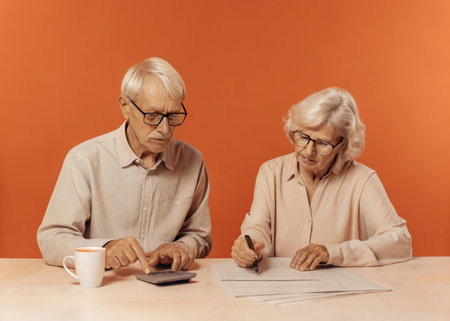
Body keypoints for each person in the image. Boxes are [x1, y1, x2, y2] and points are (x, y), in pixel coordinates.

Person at [38, 57, 211, 273]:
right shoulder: (84, 160)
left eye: (173, 115)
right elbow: (51, 239)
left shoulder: (193, 161)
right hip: (103, 290)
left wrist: (182, 248)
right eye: (153, 115)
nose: (165, 129)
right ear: (125, 107)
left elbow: (200, 236)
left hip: (169, 292)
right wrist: (104, 249)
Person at [231, 87, 412, 271]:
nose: (309, 151)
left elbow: (400, 241)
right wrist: (250, 246)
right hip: (282, 294)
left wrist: (331, 253)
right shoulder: (270, 172)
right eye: (303, 137)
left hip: (343, 295)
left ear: (342, 144)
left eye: (323, 143)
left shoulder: (362, 180)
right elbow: (258, 228)